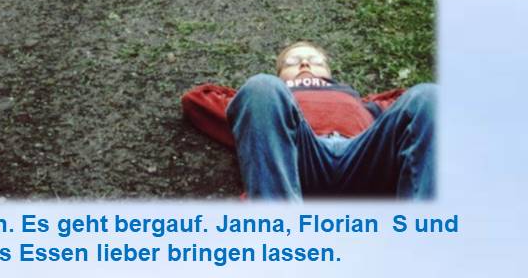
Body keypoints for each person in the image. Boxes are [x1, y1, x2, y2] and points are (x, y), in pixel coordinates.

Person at [181, 40, 435, 200]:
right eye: (292, 62)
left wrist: (360, 100)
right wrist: (268, 93)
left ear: (329, 72)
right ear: (281, 74)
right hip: (301, 160)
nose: (304, 63)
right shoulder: (274, 98)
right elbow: (197, 98)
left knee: (429, 95)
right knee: (260, 85)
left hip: (364, 158)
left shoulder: (366, 104)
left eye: (315, 61)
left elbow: (415, 104)